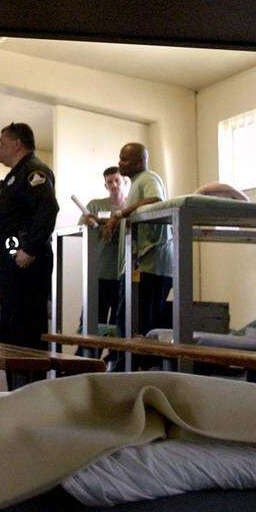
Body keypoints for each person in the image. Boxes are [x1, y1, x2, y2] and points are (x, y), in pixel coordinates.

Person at [0, 122, 59, 388]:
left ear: (17, 143)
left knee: (26, 333)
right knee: (11, 332)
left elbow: (48, 209)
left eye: (2, 142)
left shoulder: (33, 171)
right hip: (12, 265)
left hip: (27, 268)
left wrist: (28, 248)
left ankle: (30, 394)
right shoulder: (14, 176)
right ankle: (16, 393)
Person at [102, 142, 173, 357]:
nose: (119, 162)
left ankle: (134, 373)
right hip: (140, 268)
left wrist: (121, 214)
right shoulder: (135, 184)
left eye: (125, 159)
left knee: (138, 327)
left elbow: (156, 200)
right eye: (120, 158)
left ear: (141, 162)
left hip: (151, 269)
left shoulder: (148, 178)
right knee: (127, 324)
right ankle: (126, 370)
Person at [78, 166, 129, 330]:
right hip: (98, 275)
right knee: (90, 325)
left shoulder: (131, 207)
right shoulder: (95, 206)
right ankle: (86, 356)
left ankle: (114, 357)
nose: (114, 185)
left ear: (124, 182)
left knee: (119, 327)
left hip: (123, 276)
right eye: (110, 182)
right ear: (106, 186)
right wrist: (89, 223)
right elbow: (81, 229)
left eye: (117, 180)